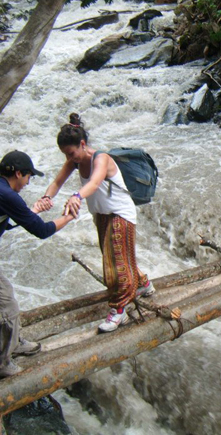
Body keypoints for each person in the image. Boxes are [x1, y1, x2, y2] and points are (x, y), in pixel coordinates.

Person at [36, 113, 154, 333]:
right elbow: (56, 181)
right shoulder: (74, 160)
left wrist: (77, 196)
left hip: (120, 213)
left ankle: (118, 310)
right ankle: (144, 284)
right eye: (66, 155)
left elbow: (95, 182)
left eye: (71, 153)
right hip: (101, 215)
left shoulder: (102, 159)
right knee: (117, 255)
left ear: (82, 144)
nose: (70, 158)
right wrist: (46, 197)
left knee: (115, 264)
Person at [0, 150, 75, 377]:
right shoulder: (8, 195)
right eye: (28, 176)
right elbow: (41, 231)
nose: (28, 182)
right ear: (19, 173)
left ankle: (12, 342)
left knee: (6, 298)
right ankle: (3, 363)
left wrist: (30, 211)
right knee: (8, 305)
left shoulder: (4, 192)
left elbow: (6, 223)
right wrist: (69, 216)